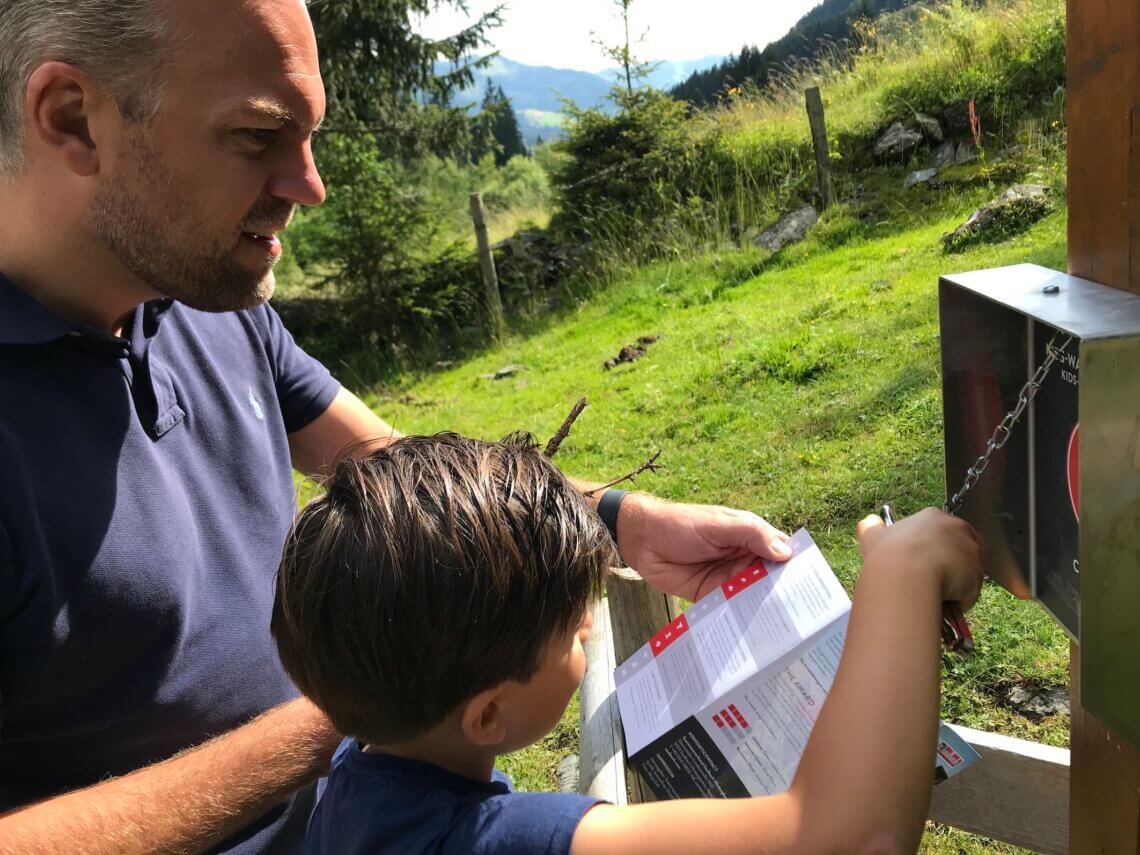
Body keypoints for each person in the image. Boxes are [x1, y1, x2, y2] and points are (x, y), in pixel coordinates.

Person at [0, 1, 796, 851]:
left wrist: (616, 519)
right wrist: (357, 714)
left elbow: (381, 455)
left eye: (310, 134)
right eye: (257, 137)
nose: (309, 185)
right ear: (72, 118)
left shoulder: (200, 294)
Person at [272, 433, 985, 855]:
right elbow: (843, 839)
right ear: (488, 714)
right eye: (570, 626)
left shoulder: (352, 779)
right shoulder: (494, 841)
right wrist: (901, 571)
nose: (588, 626)